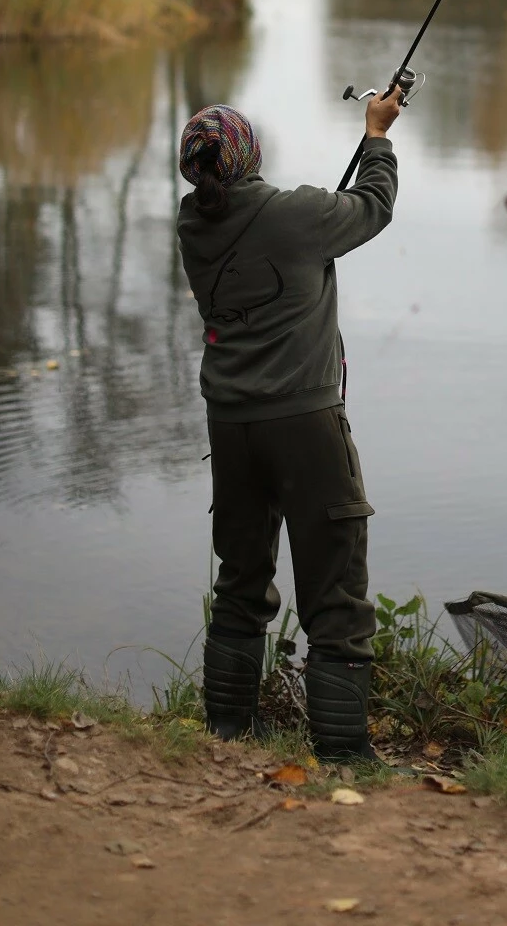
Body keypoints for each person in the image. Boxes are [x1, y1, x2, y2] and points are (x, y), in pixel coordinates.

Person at [176, 89, 402, 761]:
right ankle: (342, 753)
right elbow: (374, 206)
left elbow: (275, 237)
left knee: (241, 578)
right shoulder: (296, 214)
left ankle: (227, 731)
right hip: (304, 423)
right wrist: (378, 135)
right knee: (335, 588)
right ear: (250, 157)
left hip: (232, 427)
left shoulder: (193, 226)